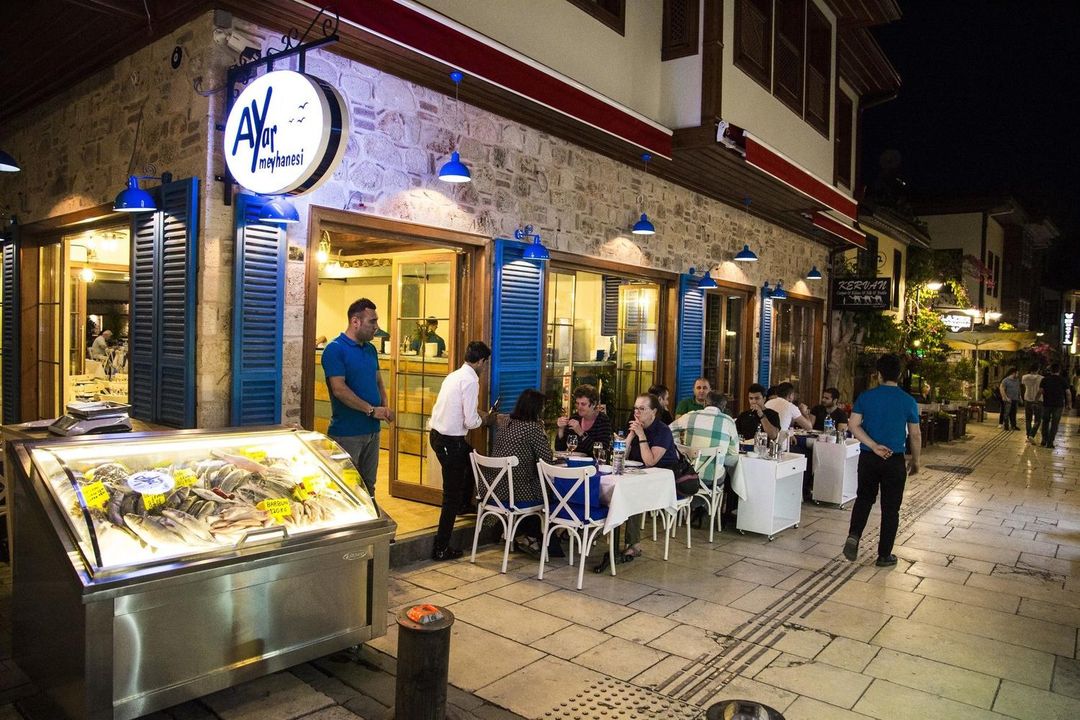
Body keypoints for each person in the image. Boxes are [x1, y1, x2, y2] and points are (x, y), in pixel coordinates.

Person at [842, 353, 921, 568]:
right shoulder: (908, 401)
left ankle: (854, 535)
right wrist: (915, 460)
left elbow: (853, 425)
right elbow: (915, 434)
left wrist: (874, 445)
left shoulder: (866, 397)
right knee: (890, 508)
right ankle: (884, 555)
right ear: (900, 375)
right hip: (894, 460)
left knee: (864, 499)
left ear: (878, 374)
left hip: (869, 457)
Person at [322, 299, 394, 497]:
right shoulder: (335, 349)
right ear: (355, 321)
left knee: (369, 486)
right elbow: (339, 389)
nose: (376, 327)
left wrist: (384, 406)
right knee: (345, 488)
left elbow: (378, 381)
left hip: (372, 431)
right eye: (372, 321)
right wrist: (371, 410)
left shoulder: (370, 349)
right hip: (347, 433)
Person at [429, 340, 492, 560]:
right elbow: (470, 421)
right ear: (481, 361)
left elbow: (460, 407)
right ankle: (441, 547)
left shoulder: (454, 375)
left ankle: (464, 504)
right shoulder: (471, 380)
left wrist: (478, 414)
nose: (485, 368)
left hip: (438, 436)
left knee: (472, 461)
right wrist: (485, 420)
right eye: (485, 363)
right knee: (451, 496)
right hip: (450, 442)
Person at [488, 389, 561, 557]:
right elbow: (546, 459)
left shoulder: (505, 422)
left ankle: (513, 531)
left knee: (534, 484)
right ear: (536, 409)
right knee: (549, 492)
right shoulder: (532, 428)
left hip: (494, 489)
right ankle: (533, 537)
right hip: (516, 492)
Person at [621, 393, 680, 559]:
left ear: (653, 412)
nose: (637, 412)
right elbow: (620, 457)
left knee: (632, 494)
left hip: (664, 480)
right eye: (635, 408)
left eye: (642, 409)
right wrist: (631, 435)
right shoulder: (635, 427)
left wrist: (641, 436)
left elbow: (650, 461)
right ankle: (593, 531)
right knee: (613, 489)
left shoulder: (663, 431)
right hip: (640, 476)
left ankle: (634, 545)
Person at [670, 391, 741, 527]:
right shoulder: (728, 421)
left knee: (709, 471)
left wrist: (681, 447)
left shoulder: (690, 416)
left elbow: (670, 429)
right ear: (723, 407)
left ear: (704, 403)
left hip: (687, 476)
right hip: (711, 479)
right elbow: (733, 453)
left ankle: (697, 508)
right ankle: (710, 511)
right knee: (723, 471)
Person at [555, 384, 612, 454]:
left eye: (583, 404)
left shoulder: (602, 420)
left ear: (593, 404)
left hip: (593, 461)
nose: (579, 407)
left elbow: (602, 452)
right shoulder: (575, 418)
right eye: (577, 403)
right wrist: (561, 429)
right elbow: (559, 449)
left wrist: (581, 433)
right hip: (575, 460)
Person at [1038, 364, 1072, 449]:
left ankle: (1044, 440)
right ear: (1059, 370)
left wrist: (1035, 400)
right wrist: (1069, 404)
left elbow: (1040, 391)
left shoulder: (1045, 379)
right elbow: (1068, 393)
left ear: (1051, 370)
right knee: (1055, 424)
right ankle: (1050, 443)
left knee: (1045, 422)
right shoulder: (1063, 380)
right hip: (1058, 405)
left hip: (1047, 404)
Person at [1020, 364, 1043, 443]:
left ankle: (1028, 435)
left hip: (1028, 399)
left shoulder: (1024, 377)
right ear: (1038, 369)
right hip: (1038, 400)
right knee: (1038, 419)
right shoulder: (1041, 378)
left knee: (1028, 419)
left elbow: (1023, 387)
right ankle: (1032, 434)